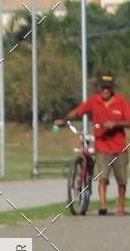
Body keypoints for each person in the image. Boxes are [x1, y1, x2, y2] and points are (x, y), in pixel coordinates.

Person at [55, 72, 130, 215]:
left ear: (112, 88)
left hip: (119, 148)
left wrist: (116, 124)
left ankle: (121, 206)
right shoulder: (94, 101)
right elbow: (77, 112)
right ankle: (102, 205)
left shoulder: (121, 102)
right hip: (102, 146)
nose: (105, 90)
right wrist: (64, 120)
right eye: (103, 87)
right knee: (102, 177)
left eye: (108, 87)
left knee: (122, 180)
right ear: (99, 87)